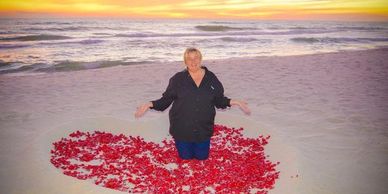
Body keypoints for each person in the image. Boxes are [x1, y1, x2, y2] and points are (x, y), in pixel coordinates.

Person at [135, 47, 250, 160]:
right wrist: (149, 104)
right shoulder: (178, 79)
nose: (193, 61)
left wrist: (233, 101)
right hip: (182, 129)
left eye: (196, 58)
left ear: (201, 59)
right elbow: (165, 101)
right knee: (185, 157)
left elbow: (219, 101)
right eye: (189, 59)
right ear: (185, 62)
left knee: (202, 157)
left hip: (203, 129)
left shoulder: (211, 78)